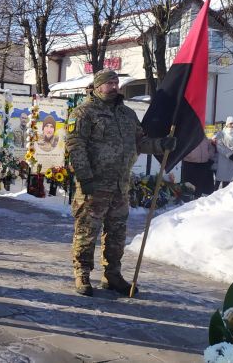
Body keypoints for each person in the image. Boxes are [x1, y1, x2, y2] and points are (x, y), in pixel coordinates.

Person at [65, 69, 176, 297]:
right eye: (109, 83)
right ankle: (82, 274)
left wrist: (160, 145)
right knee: (87, 232)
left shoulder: (127, 114)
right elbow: (76, 146)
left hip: (120, 186)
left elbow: (140, 142)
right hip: (94, 185)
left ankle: (112, 275)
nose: (115, 86)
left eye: (116, 82)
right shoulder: (84, 112)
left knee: (116, 233)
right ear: (97, 87)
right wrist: (84, 178)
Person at [213, 116, 233, 189]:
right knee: (224, 180)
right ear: (227, 124)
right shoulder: (221, 134)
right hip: (225, 160)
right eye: (231, 123)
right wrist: (230, 155)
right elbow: (220, 146)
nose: (232, 125)